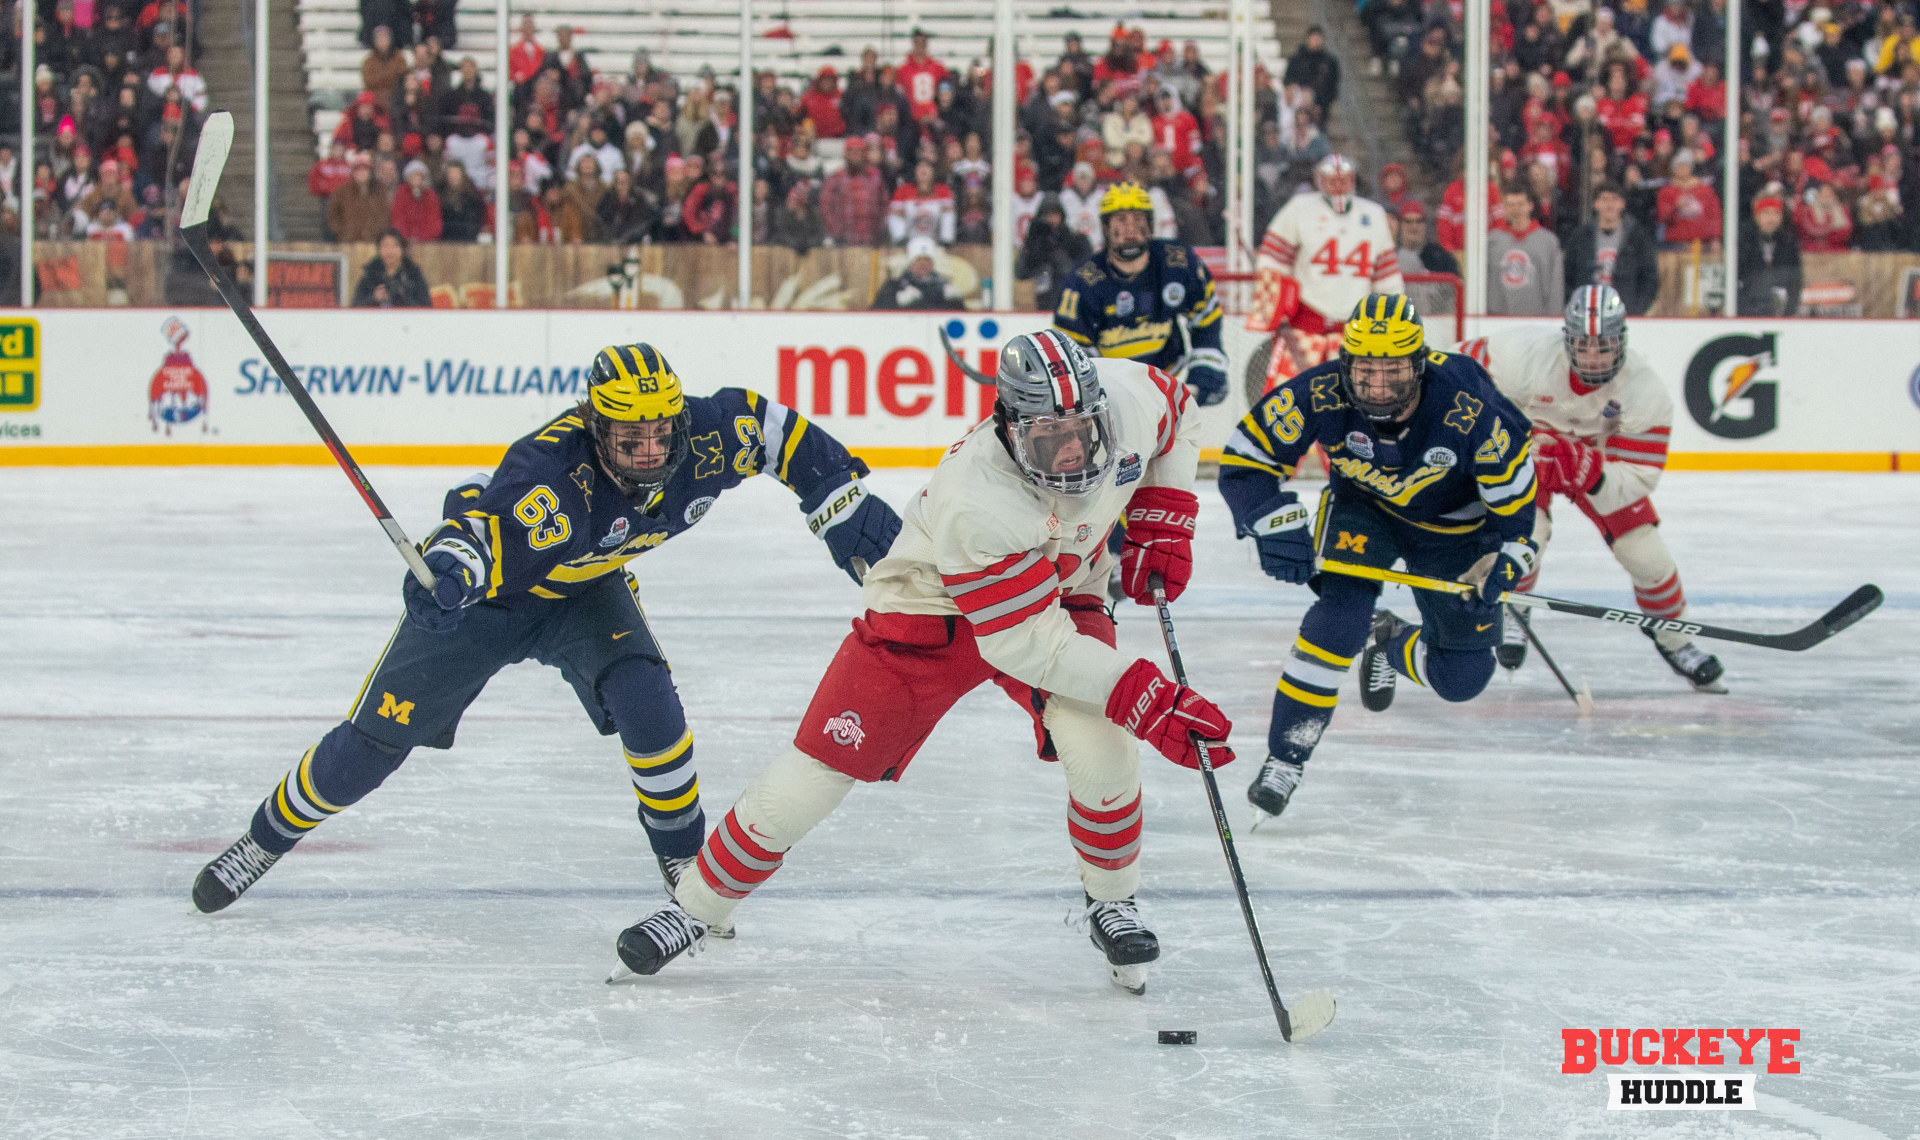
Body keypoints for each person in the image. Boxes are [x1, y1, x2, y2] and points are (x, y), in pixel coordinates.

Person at [611, 330, 1230, 998]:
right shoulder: (978, 497)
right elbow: (1024, 644)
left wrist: (1167, 514)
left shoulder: (1132, 402)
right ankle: (694, 908)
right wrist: (1141, 693)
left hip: (1059, 588)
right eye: (1052, 439)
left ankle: (1113, 900)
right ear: (1012, 428)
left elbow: (1181, 410)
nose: (1075, 453)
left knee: (1104, 749)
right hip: (932, 609)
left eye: (1083, 431)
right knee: (819, 769)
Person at [192, 344, 903, 916]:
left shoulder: (713, 434)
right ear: (597, 431)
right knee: (371, 747)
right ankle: (263, 841)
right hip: (494, 605)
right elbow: (484, 531)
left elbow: (776, 429)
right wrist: (451, 567)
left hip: (584, 593)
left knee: (649, 704)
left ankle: (685, 866)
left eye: (662, 432)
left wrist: (836, 494)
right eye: (631, 439)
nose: (651, 452)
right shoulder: (551, 478)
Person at [1219, 294, 1538, 821]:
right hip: (1364, 512)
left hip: (1454, 530)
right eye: (1365, 370)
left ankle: (1389, 642)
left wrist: (1504, 559)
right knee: (1337, 622)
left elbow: (1517, 512)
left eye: (1393, 371)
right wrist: (1272, 520)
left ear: (1420, 364)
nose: (1378, 386)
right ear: (1346, 364)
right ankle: (1286, 757)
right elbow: (1247, 460)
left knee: (1462, 680)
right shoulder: (1321, 390)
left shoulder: (1469, 406)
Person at [1462, 285, 1726, 693]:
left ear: (1622, 342)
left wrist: (1587, 469)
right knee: (1525, 540)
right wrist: (1499, 439)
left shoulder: (1644, 391)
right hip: (1526, 452)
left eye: (1603, 346)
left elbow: (1639, 476)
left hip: (1597, 462)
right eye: (1582, 345)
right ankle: (1514, 606)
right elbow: (1454, 374)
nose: (1592, 357)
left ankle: (1674, 639)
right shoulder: (1523, 352)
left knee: (1647, 557)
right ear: (1565, 339)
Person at [1049, 182, 1229, 407]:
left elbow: (1207, 322)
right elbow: (1073, 354)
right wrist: (1102, 394)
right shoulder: (1082, 283)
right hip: (1111, 388)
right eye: (1121, 220)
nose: (1130, 229)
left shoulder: (1178, 264)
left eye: (1138, 220)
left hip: (1169, 373)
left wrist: (1204, 377)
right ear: (1105, 228)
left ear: (1151, 225)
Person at [1247, 153, 1405, 394]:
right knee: (1287, 395)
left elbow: (1386, 277)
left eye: (1344, 181)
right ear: (1319, 181)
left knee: (1356, 401)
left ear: (1353, 181)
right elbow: (1272, 261)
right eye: (1332, 181)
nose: (1339, 187)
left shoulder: (1374, 215)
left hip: (1356, 330)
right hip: (1305, 323)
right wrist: (1274, 307)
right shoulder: (1300, 208)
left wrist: (1395, 319)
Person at [1563, 181, 1659, 314]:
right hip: (1587, 311)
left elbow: (1649, 277)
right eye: (1604, 199)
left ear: (1622, 204)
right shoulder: (1581, 237)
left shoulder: (1637, 237)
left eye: (1614, 199)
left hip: (1625, 311)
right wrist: (1575, 305)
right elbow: (1569, 275)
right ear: (1595, 204)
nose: (1609, 205)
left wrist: (1637, 309)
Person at [1487, 184, 1564, 315]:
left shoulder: (1548, 241)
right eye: (1510, 205)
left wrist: (1553, 318)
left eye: (1520, 204)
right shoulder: (1492, 241)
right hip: (1498, 319)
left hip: (1536, 320)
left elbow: (1555, 287)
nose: (1515, 209)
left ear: (1530, 206)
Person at [1016, 194, 1091, 313]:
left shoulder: (1075, 240)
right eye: (1046, 215)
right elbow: (1021, 273)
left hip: (1070, 304)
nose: (1051, 219)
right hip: (1041, 305)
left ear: (1062, 215)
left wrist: (1058, 254)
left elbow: (1085, 273)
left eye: (1054, 213)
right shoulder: (1035, 244)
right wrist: (1033, 245)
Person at [1737, 191, 1803, 316]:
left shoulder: (1788, 241)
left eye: (1776, 213)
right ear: (1757, 216)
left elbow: (1796, 281)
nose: (1771, 218)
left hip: (1780, 310)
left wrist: (1789, 313)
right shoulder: (1745, 241)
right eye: (1766, 213)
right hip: (1749, 310)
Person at [870, 235, 962, 310]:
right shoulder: (895, 285)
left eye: (927, 259)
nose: (923, 263)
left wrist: (955, 301)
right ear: (911, 263)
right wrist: (895, 302)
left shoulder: (943, 286)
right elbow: (875, 313)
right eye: (918, 259)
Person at [351, 230, 433, 307]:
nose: (389, 251)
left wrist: (398, 297)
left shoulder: (413, 274)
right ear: (379, 249)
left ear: (402, 249)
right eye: (385, 245)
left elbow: (426, 307)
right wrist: (374, 298)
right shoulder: (370, 273)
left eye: (395, 245)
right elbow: (355, 305)